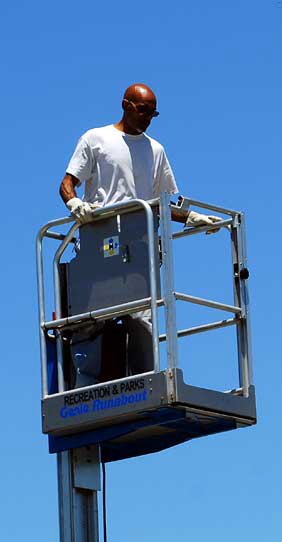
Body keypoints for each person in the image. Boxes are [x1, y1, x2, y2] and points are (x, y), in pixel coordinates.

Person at [58, 83, 218, 387]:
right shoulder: (96, 139)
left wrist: (191, 217)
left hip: (139, 243)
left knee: (142, 317)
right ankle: (85, 387)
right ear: (126, 105)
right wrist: (75, 203)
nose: (147, 118)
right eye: (143, 110)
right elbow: (67, 183)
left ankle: (146, 383)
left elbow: (162, 202)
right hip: (100, 241)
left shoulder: (155, 150)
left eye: (153, 113)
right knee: (92, 317)